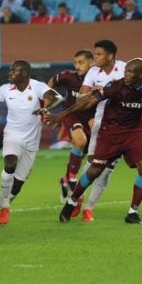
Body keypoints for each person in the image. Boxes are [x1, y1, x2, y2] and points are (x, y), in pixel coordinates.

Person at [52, 58, 142, 224]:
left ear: (140, 75)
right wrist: (62, 114)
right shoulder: (116, 86)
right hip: (110, 134)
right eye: (126, 70)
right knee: (94, 171)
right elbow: (89, 102)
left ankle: (132, 213)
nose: (126, 74)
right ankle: (72, 202)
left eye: (130, 72)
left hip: (133, 134)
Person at [0, 60, 63, 225]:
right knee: (10, 164)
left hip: (32, 142)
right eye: (10, 70)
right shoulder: (5, 90)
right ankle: (5, 206)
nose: (10, 73)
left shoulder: (37, 87)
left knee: (17, 186)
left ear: (24, 73)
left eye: (14, 70)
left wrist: (47, 108)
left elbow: (57, 97)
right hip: (12, 135)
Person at [74, 40, 127, 221]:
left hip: (122, 126)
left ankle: (89, 208)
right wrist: (91, 92)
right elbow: (80, 98)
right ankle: (78, 197)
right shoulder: (93, 72)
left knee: (107, 169)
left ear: (110, 56)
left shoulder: (124, 69)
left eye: (98, 54)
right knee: (92, 163)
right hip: (100, 123)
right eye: (94, 53)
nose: (95, 57)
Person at [47, 50, 95, 202]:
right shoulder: (68, 76)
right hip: (71, 115)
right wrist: (47, 102)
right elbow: (51, 82)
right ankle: (73, 183)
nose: (77, 66)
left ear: (91, 63)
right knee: (80, 141)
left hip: (90, 119)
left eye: (81, 62)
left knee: (80, 155)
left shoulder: (98, 79)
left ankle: (65, 180)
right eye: (75, 62)